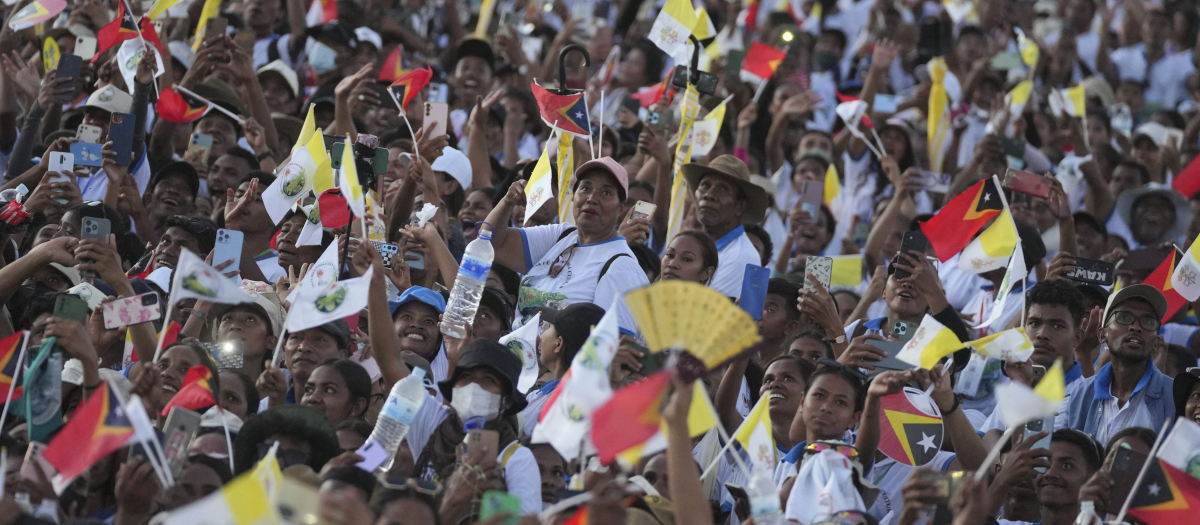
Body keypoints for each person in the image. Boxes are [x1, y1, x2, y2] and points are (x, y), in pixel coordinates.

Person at [482, 157, 649, 334]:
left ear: (621, 208)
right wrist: (508, 202)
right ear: (573, 197)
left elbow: (609, 347)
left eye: (606, 193)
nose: (592, 198)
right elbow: (489, 242)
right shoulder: (560, 236)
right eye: (585, 188)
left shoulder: (622, 268)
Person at [1062, 284, 1175, 443]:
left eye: (1148, 321)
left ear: (1156, 341)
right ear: (1102, 335)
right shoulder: (1081, 394)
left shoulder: (1174, 396)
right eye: (1124, 317)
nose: (1135, 327)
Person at [682, 154, 770, 299]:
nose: (709, 195)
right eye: (705, 185)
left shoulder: (741, 257)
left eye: (723, 189)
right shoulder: (699, 246)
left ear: (740, 207)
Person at [521, 302, 606, 437]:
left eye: (549, 329)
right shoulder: (544, 393)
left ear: (558, 344)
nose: (541, 336)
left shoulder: (560, 406)